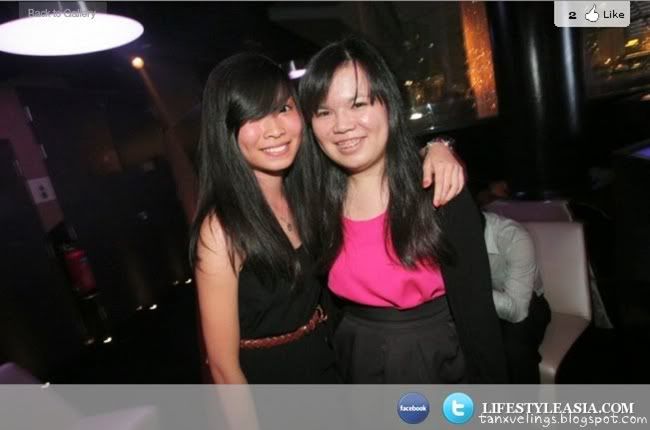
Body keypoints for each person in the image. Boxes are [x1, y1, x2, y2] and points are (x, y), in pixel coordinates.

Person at [189, 53, 464, 384]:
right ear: (226, 130)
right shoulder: (221, 228)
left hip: (333, 365)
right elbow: (223, 368)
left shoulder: (309, 194)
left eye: (283, 109)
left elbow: (374, 153)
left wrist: (436, 147)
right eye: (253, 116)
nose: (274, 130)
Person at [299, 37, 509, 383]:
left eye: (358, 104)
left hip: (436, 358)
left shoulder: (438, 189)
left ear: (389, 105)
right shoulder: (317, 201)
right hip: (355, 354)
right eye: (324, 112)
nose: (342, 125)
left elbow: (478, 311)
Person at [481, 211, 551, 383]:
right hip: (487, 303)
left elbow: (518, 311)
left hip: (530, 302)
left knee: (513, 350)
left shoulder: (514, 237)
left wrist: (472, 291)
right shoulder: (447, 239)